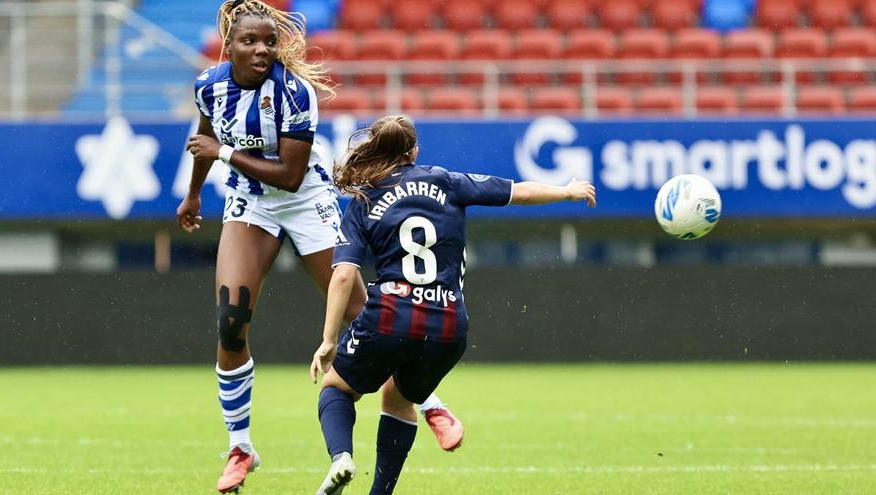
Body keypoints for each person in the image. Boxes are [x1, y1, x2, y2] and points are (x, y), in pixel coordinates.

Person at [176, 2, 462, 493]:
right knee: (230, 320)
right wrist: (195, 193)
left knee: (362, 313)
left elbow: (288, 175)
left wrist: (222, 153)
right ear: (229, 46)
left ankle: (430, 402)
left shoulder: (294, 91)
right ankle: (241, 447)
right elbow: (206, 134)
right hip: (250, 203)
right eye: (249, 41)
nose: (262, 50)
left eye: (269, 41)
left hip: (305, 199)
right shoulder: (209, 85)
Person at [310, 115, 597, 495]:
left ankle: (341, 458)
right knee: (398, 399)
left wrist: (329, 339)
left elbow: (345, 276)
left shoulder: (365, 200)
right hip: (447, 324)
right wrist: (567, 191)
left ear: (377, 150)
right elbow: (521, 193)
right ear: (414, 151)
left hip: (390, 316)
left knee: (336, 388)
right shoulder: (446, 181)